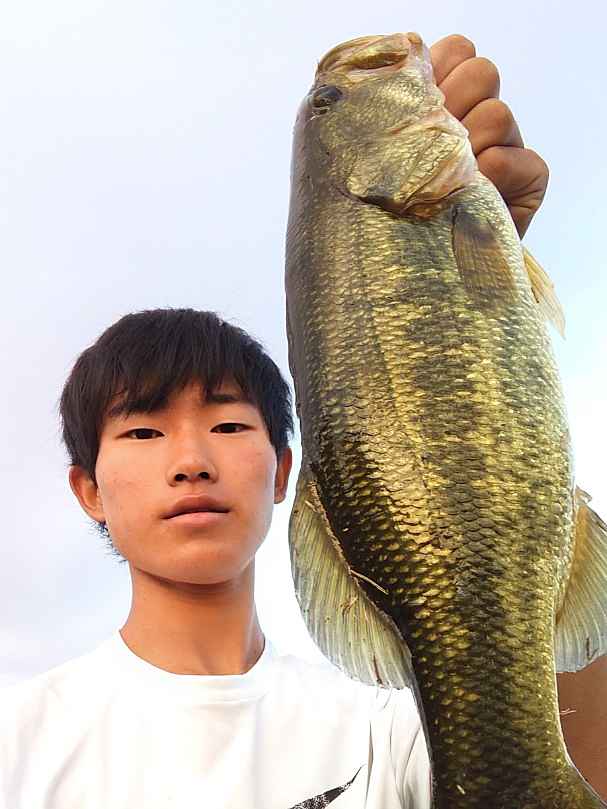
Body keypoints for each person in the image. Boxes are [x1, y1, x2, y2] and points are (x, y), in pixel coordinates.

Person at [0, 34, 605, 809]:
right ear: (87, 488)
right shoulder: (19, 739)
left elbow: (583, 759)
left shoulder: (392, 729)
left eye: (228, 426)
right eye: (144, 432)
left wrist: (475, 314)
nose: (191, 460)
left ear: (290, 470)